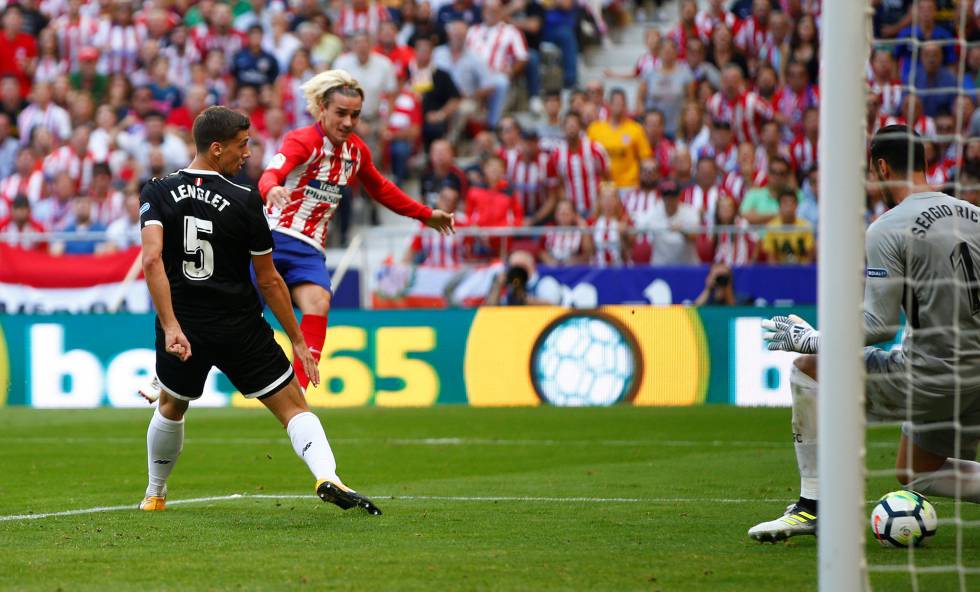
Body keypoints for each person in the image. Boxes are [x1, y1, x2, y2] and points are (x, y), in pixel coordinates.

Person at [138, 105, 381, 515]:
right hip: (240, 326)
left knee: (172, 406)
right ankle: (328, 476)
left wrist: (171, 325)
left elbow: (151, 259)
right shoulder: (245, 198)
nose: (248, 153)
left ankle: (155, 494)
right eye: (242, 144)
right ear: (217, 148)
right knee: (293, 407)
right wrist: (298, 340)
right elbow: (269, 281)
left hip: (185, 326)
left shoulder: (157, 190)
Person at [749, 125, 980, 543]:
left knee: (808, 369)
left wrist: (812, 339)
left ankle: (812, 506)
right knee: (915, 472)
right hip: (976, 377)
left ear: (881, 167)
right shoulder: (975, 216)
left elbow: (880, 325)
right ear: (924, 163)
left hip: (929, 377)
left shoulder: (887, 227)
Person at [259, 70, 455, 389]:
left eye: (355, 115)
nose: (348, 122)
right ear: (322, 108)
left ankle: (297, 393)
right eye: (341, 113)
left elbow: (381, 189)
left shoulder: (357, 152)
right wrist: (271, 189)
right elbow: (271, 173)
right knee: (239, 317)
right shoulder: (301, 140)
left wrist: (424, 215)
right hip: (271, 240)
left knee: (319, 302)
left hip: (309, 248)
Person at [587, 88, 652, 190]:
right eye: (615, 103)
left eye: (622, 103)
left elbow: (645, 158)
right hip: (604, 184)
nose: (619, 107)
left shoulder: (636, 129)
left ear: (626, 105)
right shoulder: (595, 129)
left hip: (629, 184)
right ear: (609, 105)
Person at [760, 187, 814, 264]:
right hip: (779, 269)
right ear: (779, 206)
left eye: (791, 203)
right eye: (785, 203)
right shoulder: (772, 227)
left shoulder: (805, 226)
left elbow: (809, 256)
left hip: (801, 269)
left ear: (796, 205)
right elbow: (771, 258)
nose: (788, 207)